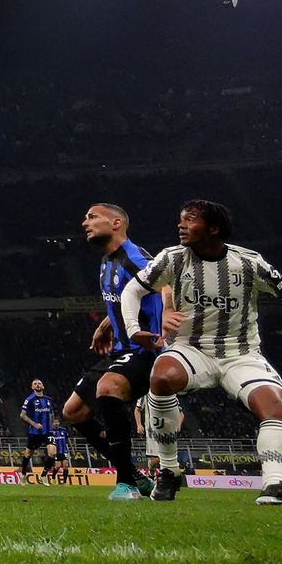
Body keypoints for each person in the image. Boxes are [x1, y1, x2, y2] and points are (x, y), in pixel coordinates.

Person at [122, 200, 282, 505]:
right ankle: (168, 471)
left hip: (241, 354)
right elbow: (133, 290)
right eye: (181, 220)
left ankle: (275, 486)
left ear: (213, 228)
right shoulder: (172, 258)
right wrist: (132, 328)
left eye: (189, 220)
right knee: (161, 378)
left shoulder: (250, 263)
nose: (181, 225)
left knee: (277, 408)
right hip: (190, 349)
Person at [61, 203, 175, 500]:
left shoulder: (135, 257)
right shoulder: (105, 261)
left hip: (146, 348)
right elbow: (126, 298)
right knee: (73, 412)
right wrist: (107, 325)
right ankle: (133, 472)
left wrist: (166, 317)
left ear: (115, 223)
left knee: (108, 388)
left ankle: (126, 482)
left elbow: (165, 284)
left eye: (92, 217)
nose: (85, 222)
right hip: (121, 350)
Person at [134, 395, 183, 480]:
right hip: (152, 432)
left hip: (168, 432)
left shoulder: (170, 395)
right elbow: (137, 409)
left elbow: (181, 413)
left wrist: (178, 424)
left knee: (165, 458)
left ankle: (164, 478)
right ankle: (152, 473)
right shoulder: (145, 395)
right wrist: (139, 424)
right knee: (155, 460)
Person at [18, 379, 54, 482]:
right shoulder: (29, 399)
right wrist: (34, 424)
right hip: (35, 432)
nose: (37, 385)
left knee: (52, 453)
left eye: (39, 383)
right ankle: (23, 473)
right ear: (32, 387)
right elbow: (22, 415)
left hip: (48, 431)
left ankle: (43, 475)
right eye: (35, 384)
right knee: (28, 454)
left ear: (43, 387)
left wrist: (51, 426)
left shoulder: (48, 399)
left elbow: (51, 413)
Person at [47, 419, 70, 485]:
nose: (56, 423)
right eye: (54, 422)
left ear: (59, 423)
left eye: (57, 422)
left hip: (64, 451)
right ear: (52, 423)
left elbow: (68, 440)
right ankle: (53, 478)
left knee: (66, 465)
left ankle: (65, 482)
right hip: (56, 452)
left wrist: (72, 449)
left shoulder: (63, 430)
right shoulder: (51, 431)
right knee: (58, 466)